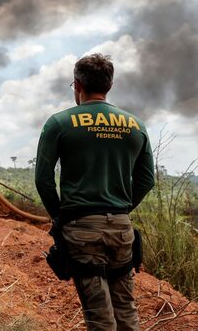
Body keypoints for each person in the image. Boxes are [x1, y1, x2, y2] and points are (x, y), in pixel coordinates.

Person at [35, 53, 155, 331]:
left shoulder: (59, 123)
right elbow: (146, 179)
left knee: (99, 317)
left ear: (77, 85)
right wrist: (120, 208)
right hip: (122, 228)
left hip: (81, 228)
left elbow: (43, 180)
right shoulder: (136, 125)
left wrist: (61, 217)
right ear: (110, 85)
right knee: (126, 310)